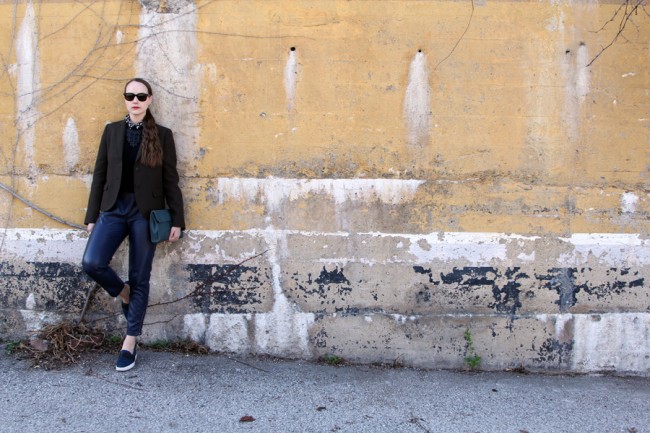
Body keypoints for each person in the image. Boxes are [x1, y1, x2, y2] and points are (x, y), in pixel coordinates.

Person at [82, 78, 185, 371]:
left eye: (141, 96)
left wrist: (177, 219)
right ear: (125, 99)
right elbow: (99, 174)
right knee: (92, 262)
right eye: (130, 96)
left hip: (145, 213)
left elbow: (170, 179)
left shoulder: (162, 135)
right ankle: (124, 292)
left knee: (140, 275)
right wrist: (92, 216)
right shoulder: (112, 131)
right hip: (113, 209)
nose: (135, 100)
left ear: (150, 99)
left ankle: (130, 341)